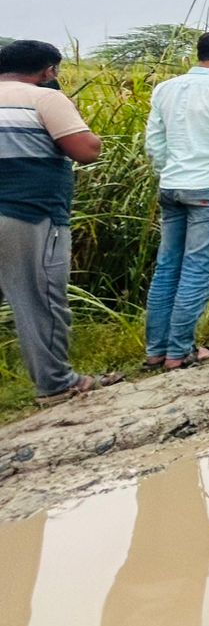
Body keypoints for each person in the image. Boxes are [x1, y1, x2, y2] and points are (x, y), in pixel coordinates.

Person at [0, 40, 123, 406]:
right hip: (30, 213)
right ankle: (57, 385)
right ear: (48, 70)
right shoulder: (45, 99)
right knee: (41, 299)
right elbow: (86, 150)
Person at [143, 30, 209, 371]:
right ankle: (179, 352)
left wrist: (167, 171)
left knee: (167, 267)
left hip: (171, 185)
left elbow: (154, 142)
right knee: (198, 268)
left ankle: (156, 350)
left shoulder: (166, 88)